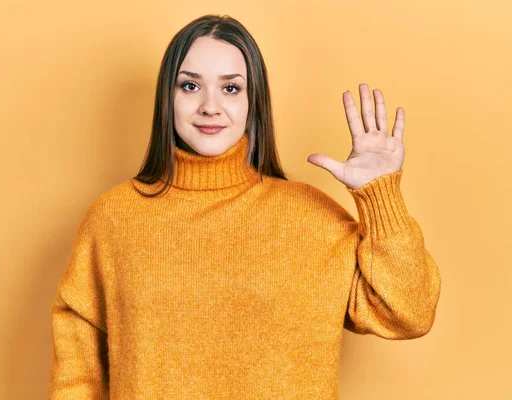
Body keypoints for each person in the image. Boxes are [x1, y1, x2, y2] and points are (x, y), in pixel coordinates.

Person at [48, 14, 441, 399]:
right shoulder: (114, 219)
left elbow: (409, 313)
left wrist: (379, 194)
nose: (210, 106)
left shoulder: (311, 219)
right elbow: (77, 377)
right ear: (167, 98)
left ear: (255, 102)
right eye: (190, 86)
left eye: (231, 88)